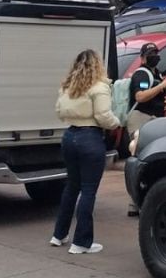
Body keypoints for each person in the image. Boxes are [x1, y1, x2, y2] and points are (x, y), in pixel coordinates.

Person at [51, 49, 119, 255]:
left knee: (71, 186)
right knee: (89, 190)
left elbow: (58, 111)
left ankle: (59, 234)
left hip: (69, 135)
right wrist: (117, 123)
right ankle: (81, 242)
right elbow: (103, 115)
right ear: (98, 65)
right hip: (90, 137)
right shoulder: (99, 87)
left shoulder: (68, 86)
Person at [125, 43, 166, 216]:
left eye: (156, 52)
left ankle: (146, 199)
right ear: (143, 56)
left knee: (153, 159)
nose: (155, 56)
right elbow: (140, 96)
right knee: (139, 158)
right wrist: (161, 86)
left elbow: (162, 93)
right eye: (151, 53)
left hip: (155, 120)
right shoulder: (141, 74)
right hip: (141, 119)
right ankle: (134, 202)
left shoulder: (156, 73)